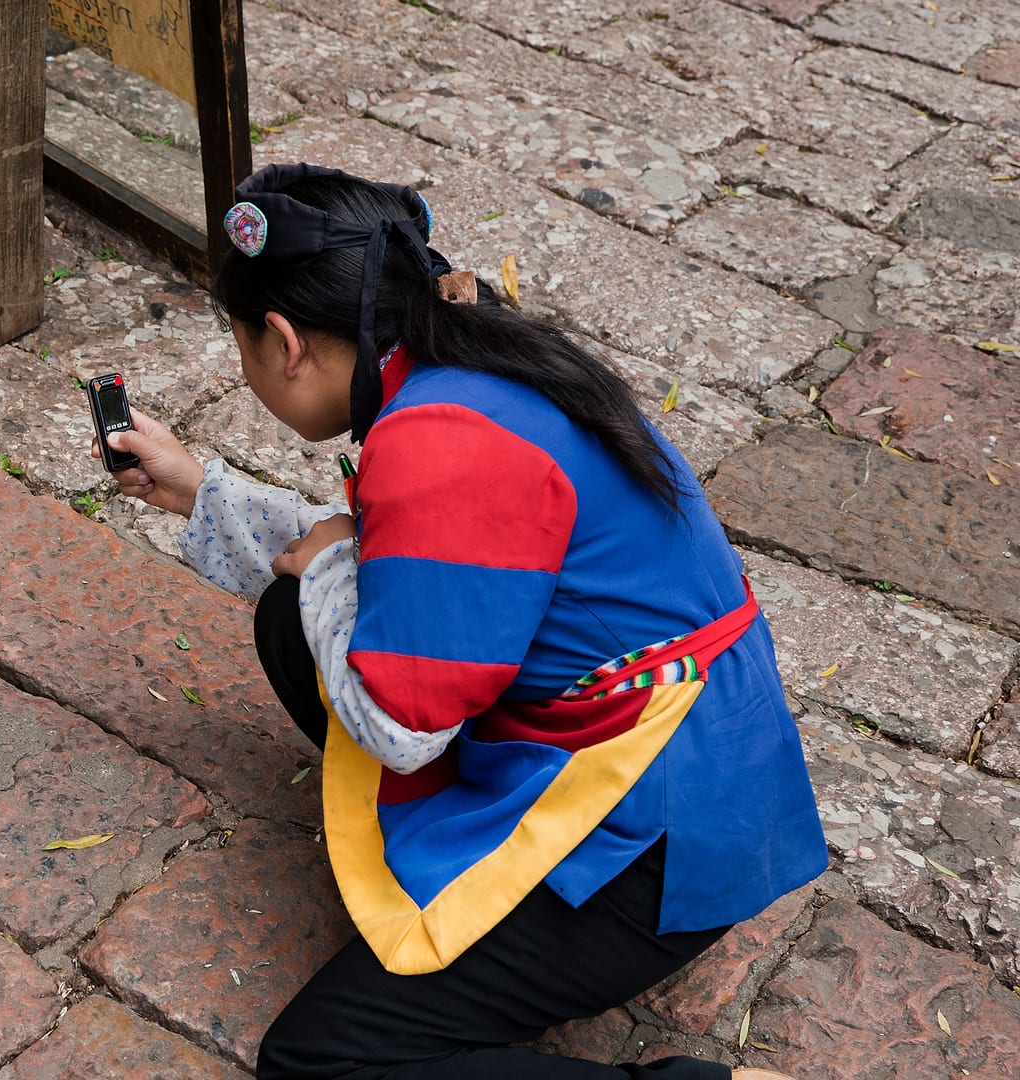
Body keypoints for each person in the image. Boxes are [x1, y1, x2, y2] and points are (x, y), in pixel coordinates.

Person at [96, 163, 826, 1080]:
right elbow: (403, 563)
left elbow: (402, 727)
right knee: (296, 619)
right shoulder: (465, 361)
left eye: (240, 344)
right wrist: (204, 493)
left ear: (282, 340)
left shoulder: (437, 441)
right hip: (659, 741)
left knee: (324, 1061)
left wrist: (325, 565)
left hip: (656, 836)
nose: (247, 369)